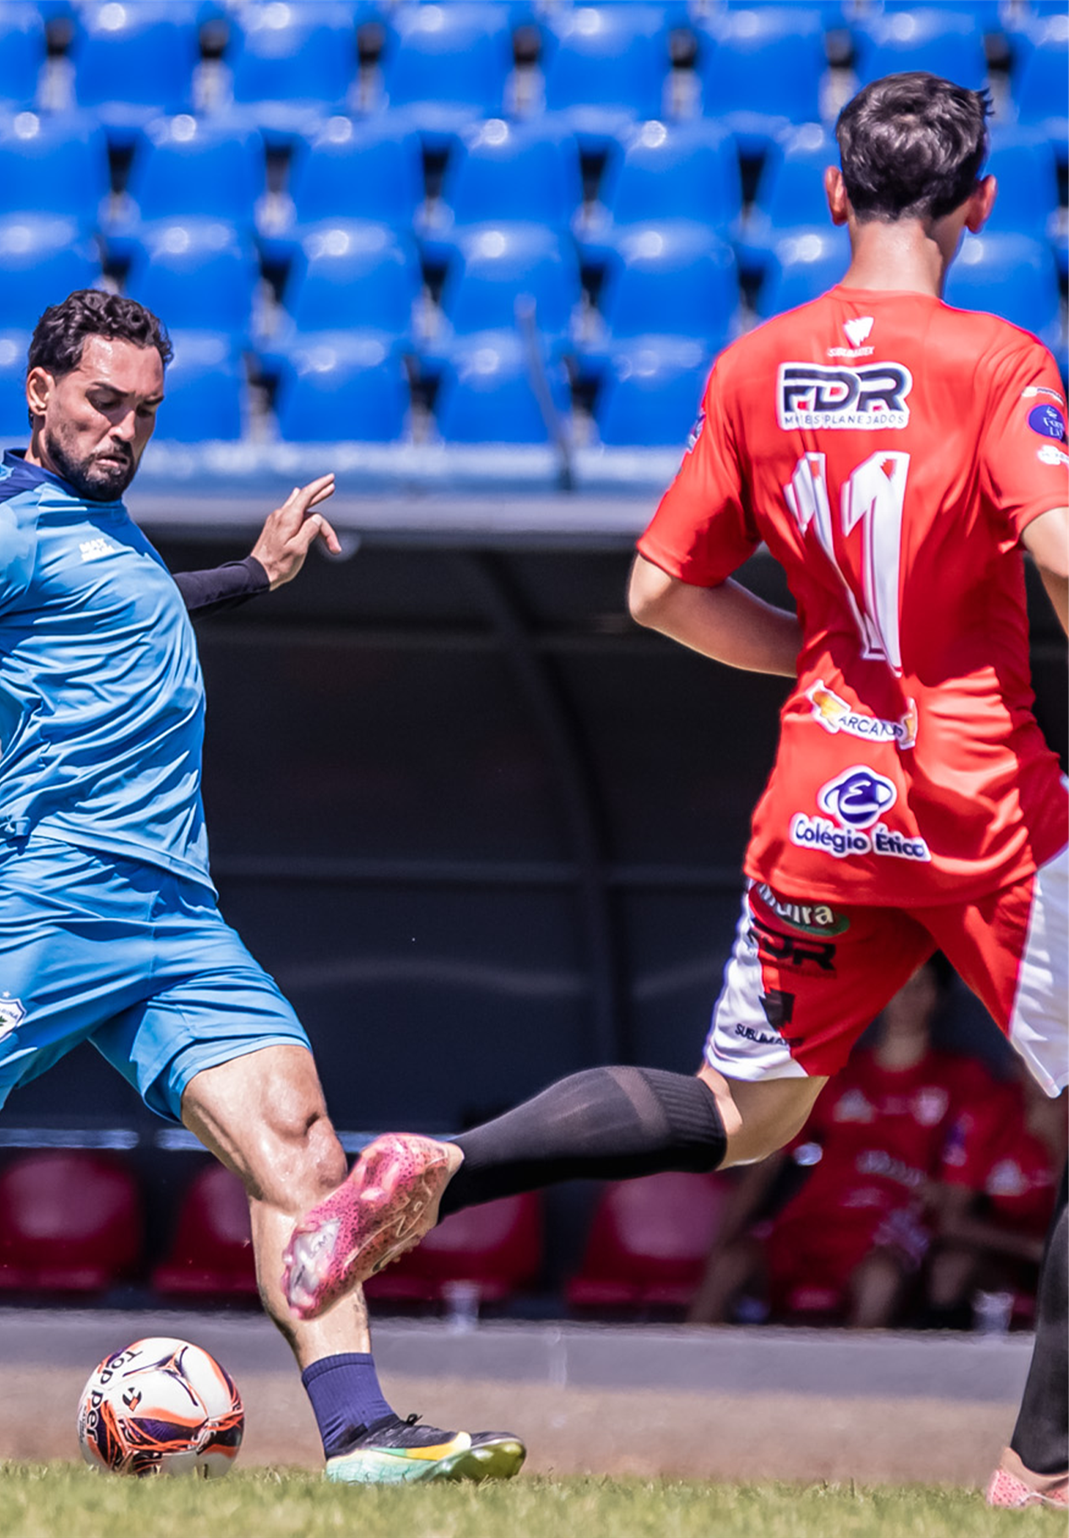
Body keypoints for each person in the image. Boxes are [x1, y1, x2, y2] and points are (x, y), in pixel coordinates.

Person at [278, 72, 1069, 1507]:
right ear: (983, 206)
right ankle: (1043, 1468)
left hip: (825, 799)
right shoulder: (1002, 362)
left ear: (835, 195)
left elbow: (657, 588)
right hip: (983, 804)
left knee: (741, 1110)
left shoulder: (757, 365)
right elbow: (1063, 548)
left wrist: (818, 659)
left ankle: (446, 1160)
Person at [0, 290, 524, 1485]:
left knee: (300, 1148)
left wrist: (253, 575)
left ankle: (361, 1431)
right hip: (45, 904)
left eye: (145, 412)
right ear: (38, 391)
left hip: (176, 916)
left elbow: (134, 610)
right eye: (102, 403)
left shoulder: (106, 528)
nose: (123, 429)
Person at [687, 962, 984, 1327]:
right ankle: (680, 1384)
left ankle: (858, 1385)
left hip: (887, 1230)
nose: (906, 999)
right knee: (730, 1265)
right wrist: (724, 1240)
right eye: (897, 986)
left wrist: (943, 1199)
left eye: (920, 987)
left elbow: (963, 1182)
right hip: (812, 1221)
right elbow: (769, 1163)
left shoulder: (964, 1077)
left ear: (938, 998)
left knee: (881, 1281)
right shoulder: (835, 1073)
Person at [927, 1060, 1069, 1325]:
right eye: (1034, 1060)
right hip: (1003, 1258)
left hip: (1061, 1258)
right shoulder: (988, 1112)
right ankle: (941, 1363)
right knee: (951, 1267)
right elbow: (951, 1221)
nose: (1045, 1074)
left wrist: (1056, 1145)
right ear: (1017, 1064)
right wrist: (1033, 1248)